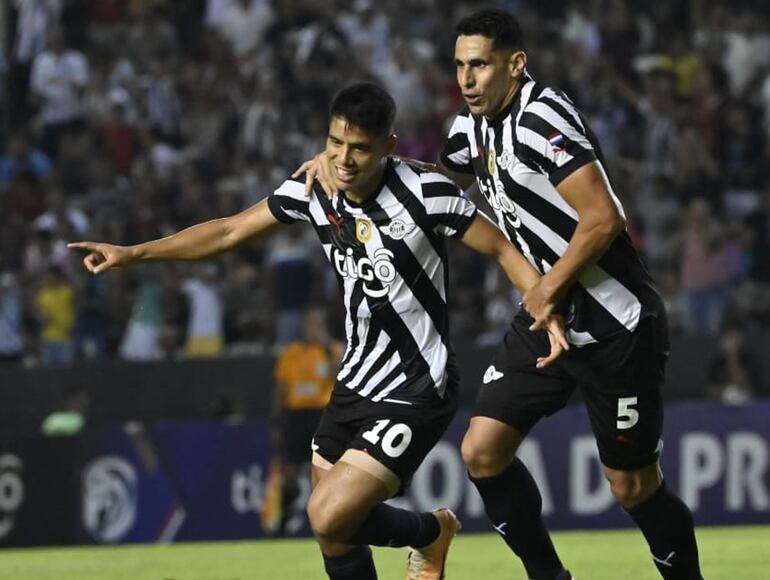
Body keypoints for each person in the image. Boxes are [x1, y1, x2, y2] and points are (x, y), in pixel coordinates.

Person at [69, 82, 567, 580]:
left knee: (326, 512)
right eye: (335, 143)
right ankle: (428, 535)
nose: (343, 159)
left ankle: (430, 532)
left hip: (418, 385)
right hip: (353, 383)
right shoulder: (314, 188)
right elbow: (228, 231)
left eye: (360, 148)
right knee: (334, 532)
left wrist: (543, 307)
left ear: (388, 148)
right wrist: (134, 254)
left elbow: (502, 248)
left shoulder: (428, 194)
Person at [298, 10, 702, 580]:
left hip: (616, 323)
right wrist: (346, 163)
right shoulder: (469, 129)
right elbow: (425, 189)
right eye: (460, 65)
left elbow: (603, 217)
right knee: (481, 450)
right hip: (546, 315)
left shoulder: (544, 119)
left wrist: (548, 289)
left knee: (632, 485)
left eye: (480, 65)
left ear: (515, 65)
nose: (466, 79)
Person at [271, 308, 343, 535]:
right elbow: (281, 390)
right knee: (290, 472)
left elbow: (340, 376)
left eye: (316, 324)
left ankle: (327, 523)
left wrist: (324, 345)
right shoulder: (291, 353)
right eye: (309, 324)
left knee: (322, 472)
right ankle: (283, 521)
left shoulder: (332, 350)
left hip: (321, 416)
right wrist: (277, 422)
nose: (312, 328)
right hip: (295, 417)